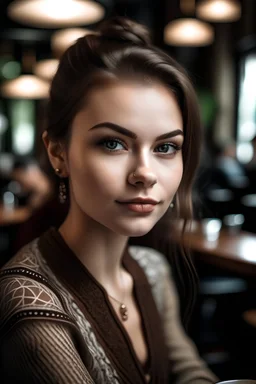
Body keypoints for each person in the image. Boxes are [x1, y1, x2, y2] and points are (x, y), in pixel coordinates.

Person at [0, 17, 217, 384]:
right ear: (57, 153)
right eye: (113, 143)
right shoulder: (28, 300)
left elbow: (192, 374)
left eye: (166, 147)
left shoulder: (151, 270)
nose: (145, 173)